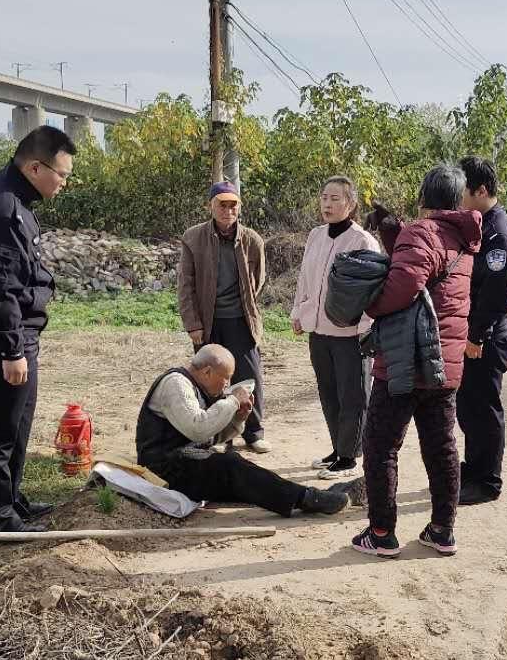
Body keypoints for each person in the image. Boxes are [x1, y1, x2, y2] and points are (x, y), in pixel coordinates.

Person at [352, 164, 482, 559]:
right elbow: (424, 266)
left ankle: (381, 533)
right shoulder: (463, 239)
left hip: (404, 360)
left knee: (380, 446)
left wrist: (369, 306)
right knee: (441, 446)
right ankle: (443, 530)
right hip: (445, 364)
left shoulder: (422, 233)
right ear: (458, 199)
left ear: (424, 196)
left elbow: (406, 283)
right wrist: (395, 231)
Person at [0, 126, 74, 534]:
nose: (64, 184)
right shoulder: (1, 208)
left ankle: (10, 501)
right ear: (35, 167)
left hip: (18, 334)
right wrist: (11, 350)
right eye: (62, 175)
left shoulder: (13, 198)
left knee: (16, 425)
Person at [136, 344, 355, 517]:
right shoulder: (176, 384)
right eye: (226, 378)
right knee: (230, 465)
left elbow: (211, 437)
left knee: (237, 470)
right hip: (161, 470)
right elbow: (198, 429)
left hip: (182, 463)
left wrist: (238, 418)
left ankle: (307, 496)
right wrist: (231, 401)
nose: (227, 384)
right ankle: (307, 498)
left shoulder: (193, 386)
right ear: (207, 371)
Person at [290, 176, 381, 476]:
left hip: (349, 333)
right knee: (328, 393)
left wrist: (365, 328)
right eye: (324, 197)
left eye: (335, 199)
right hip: (319, 330)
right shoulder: (316, 235)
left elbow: (373, 288)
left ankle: (350, 457)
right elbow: (304, 278)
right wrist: (298, 313)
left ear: (351, 204)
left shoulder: (362, 241)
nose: (327, 204)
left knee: (352, 396)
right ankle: (337, 449)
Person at [177, 181, 271, 453]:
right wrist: (193, 324)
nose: (228, 210)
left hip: (242, 321)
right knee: (211, 379)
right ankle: (219, 435)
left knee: (249, 375)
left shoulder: (252, 240)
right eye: (222, 204)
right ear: (211, 206)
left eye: (233, 205)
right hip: (208, 322)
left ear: (239, 208)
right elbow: (185, 286)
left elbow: (258, 280)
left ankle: (253, 433)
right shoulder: (193, 238)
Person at [457, 156, 507, 505]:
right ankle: (473, 468)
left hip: (486, 336)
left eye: (463, 191)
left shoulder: (499, 235)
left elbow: (495, 296)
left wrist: (475, 336)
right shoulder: (479, 225)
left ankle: (487, 481)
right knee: (468, 407)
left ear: (481, 191)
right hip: (473, 333)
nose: (459, 199)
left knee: (484, 407)